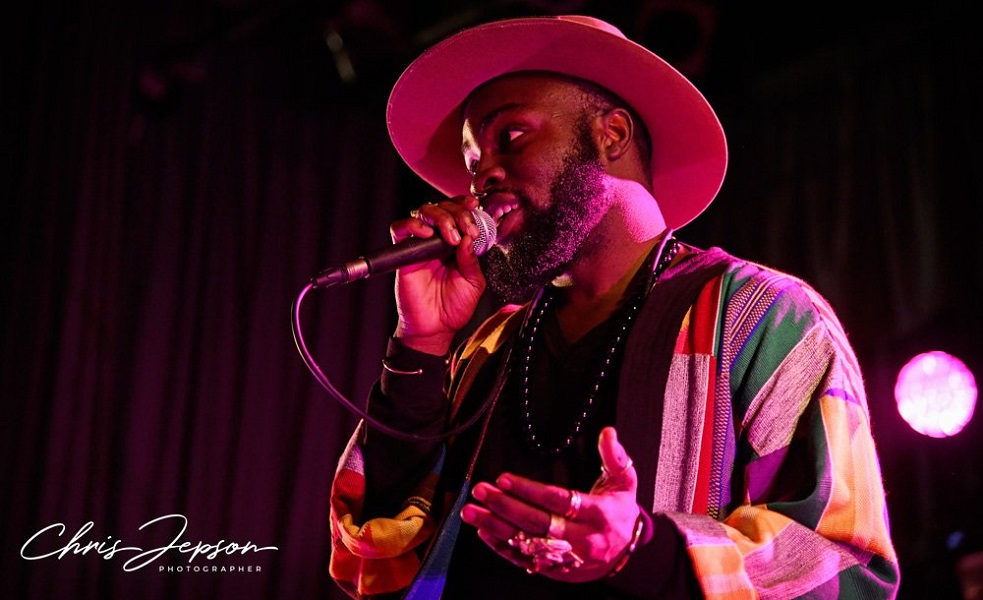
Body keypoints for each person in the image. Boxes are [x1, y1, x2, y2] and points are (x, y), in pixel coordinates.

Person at [327, 15, 900, 599]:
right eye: (473, 164)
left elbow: (843, 564)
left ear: (612, 134)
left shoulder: (764, 316)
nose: (483, 177)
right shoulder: (488, 347)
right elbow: (380, 547)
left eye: (512, 136)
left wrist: (640, 552)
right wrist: (420, 345)